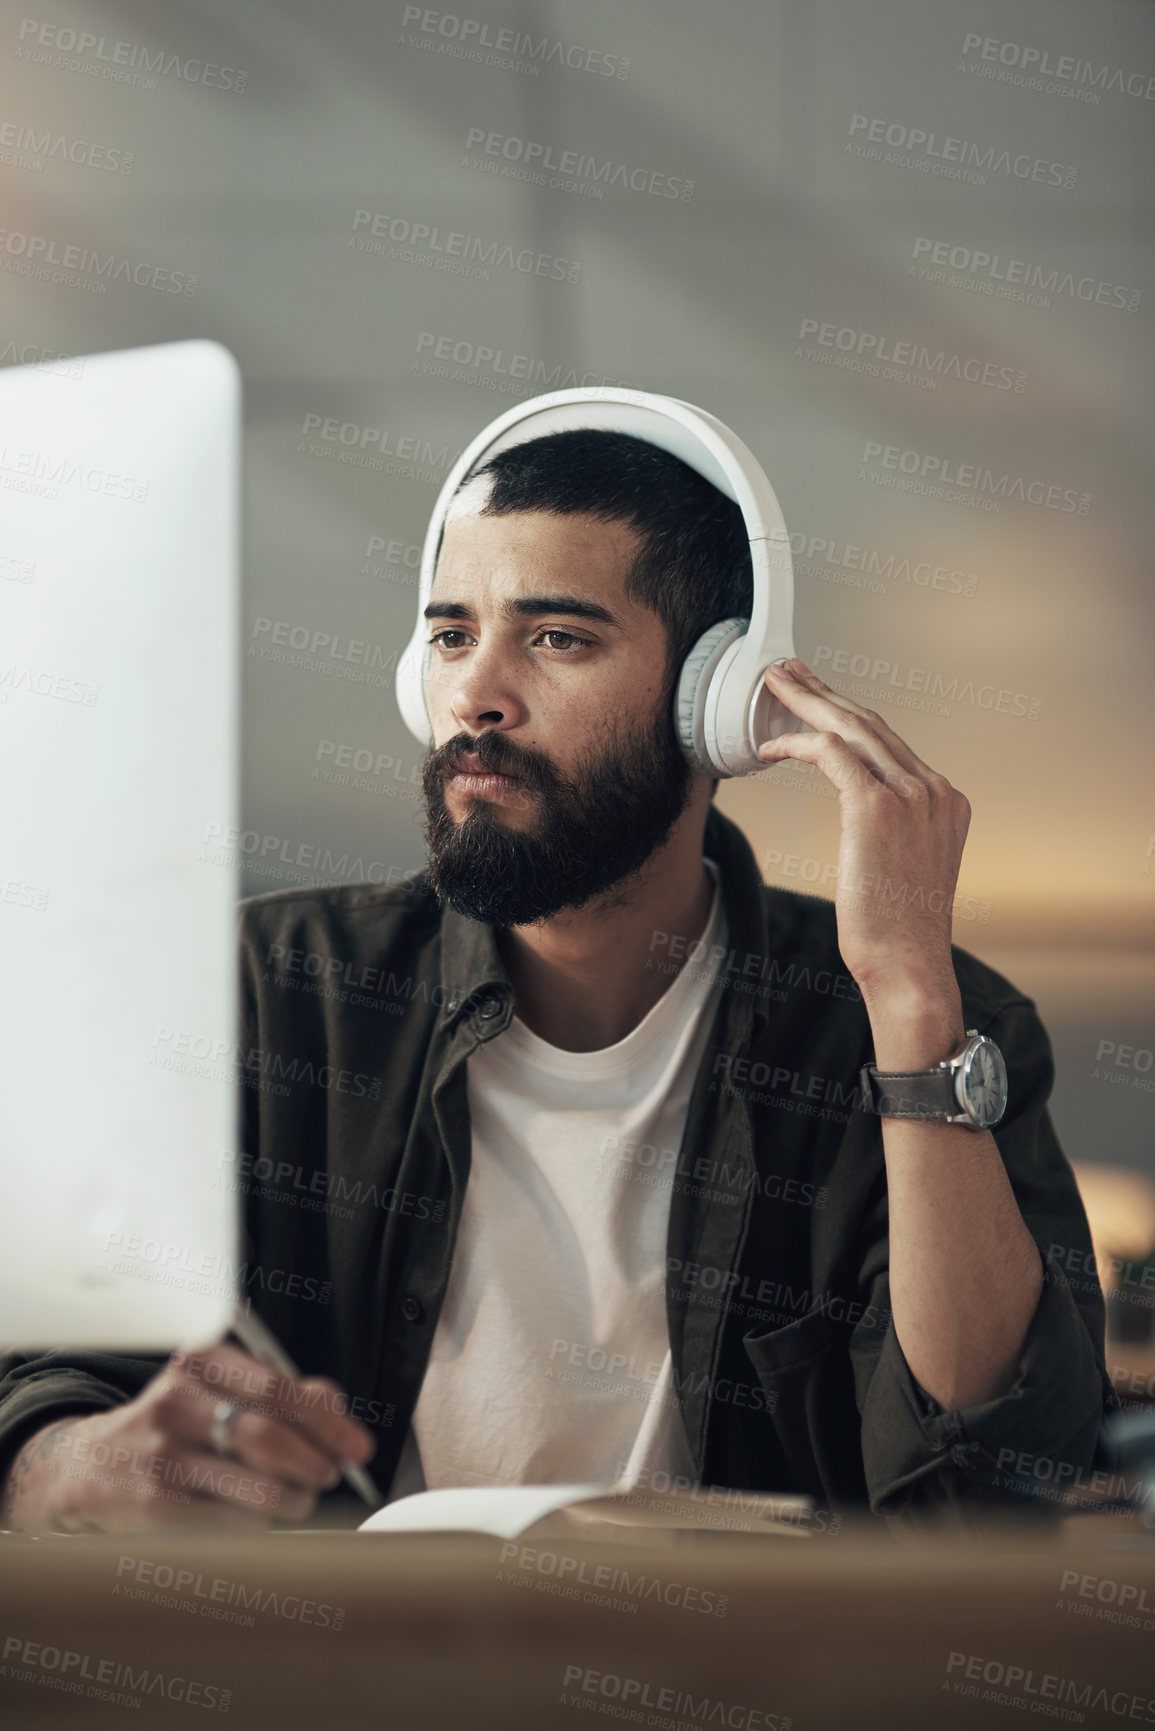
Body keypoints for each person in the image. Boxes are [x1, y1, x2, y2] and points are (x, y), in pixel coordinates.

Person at [0, 428, 1111, 1533]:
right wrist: (64, 1468)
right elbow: (46, 1380)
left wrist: (910, 998)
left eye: (559, 639)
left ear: (711, 698)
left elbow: (997, 1474)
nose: (476, 693)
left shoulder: (922, 1021)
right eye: (449, 634)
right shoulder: (263, 991)